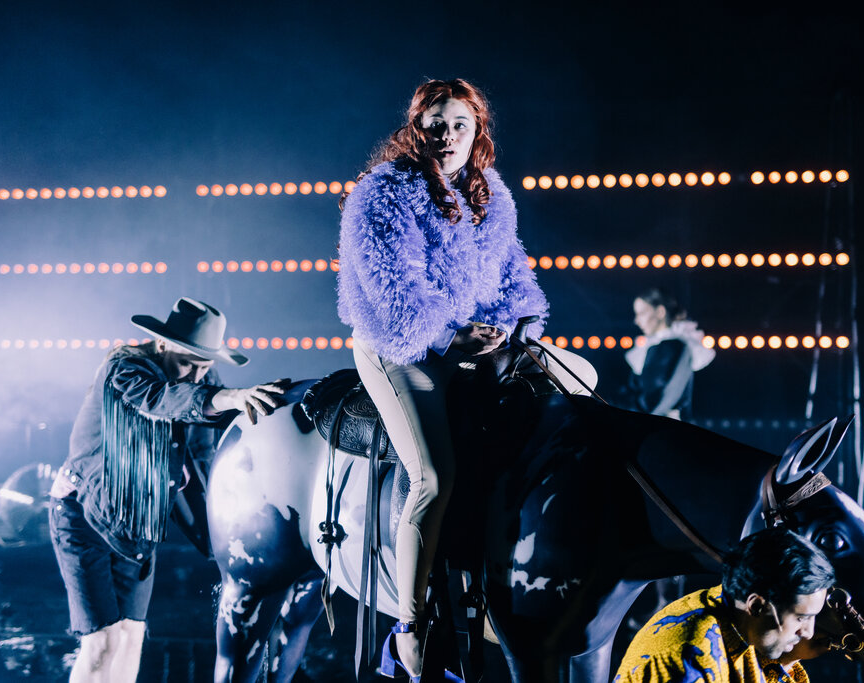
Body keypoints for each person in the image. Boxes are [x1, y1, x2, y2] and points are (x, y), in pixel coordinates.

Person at [337, 78, 595, 680]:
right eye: (436, 123)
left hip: (471, 341)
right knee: (433, 477)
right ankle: (409, 627)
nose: (447, 135)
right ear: (416, 127)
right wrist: (449, 338)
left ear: (477, 130)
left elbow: (513, 276)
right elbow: (391, 289)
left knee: (580, 375)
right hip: (400, 345)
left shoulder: (491, 193)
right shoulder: (382, 191)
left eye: (460, 124)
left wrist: (518, 323)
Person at [48, 297, 287, 683]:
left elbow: (207, 445)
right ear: (162, 344)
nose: (197, 375)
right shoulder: (125, 369)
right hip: (83, 516)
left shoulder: (201, 379)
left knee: (130, 637)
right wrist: (228, 397)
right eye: (188, 363)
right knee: (102, 642)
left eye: (205, 366)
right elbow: (159, 400)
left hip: (136, 521)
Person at [613, 527, 835, 683]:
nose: (808, 632)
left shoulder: (732, 614)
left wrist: (785, 662)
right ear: (757, 605)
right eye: (801, 618)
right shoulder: (688, 662)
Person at [619, 287, 715, 420]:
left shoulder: (669, 347)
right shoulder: (667, 346)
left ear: (660, 312)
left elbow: (651, 401)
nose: (637, 320)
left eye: (641, 313)